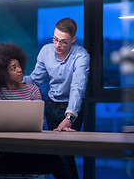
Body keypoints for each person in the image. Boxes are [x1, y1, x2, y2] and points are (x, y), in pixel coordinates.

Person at [0, 42, 67, 179]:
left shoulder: (32, 90)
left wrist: (7, 124)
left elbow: (39, 121)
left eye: (19, 66)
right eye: (13, 68)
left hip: (28, 145)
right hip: (3, 147)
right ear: (2, 72)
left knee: (57, 158)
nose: (19, 70)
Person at [23, 18, 90, 178]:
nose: (57, 45)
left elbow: (78, 87)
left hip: (72, 109)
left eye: (63, 42)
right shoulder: (46, 51)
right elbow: (35, 79)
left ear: (73, 40)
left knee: (65, 155)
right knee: (54, 156)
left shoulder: (81, 56)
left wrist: (70, 116)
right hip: (51, 106)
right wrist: (12, 80)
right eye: (55, 39)